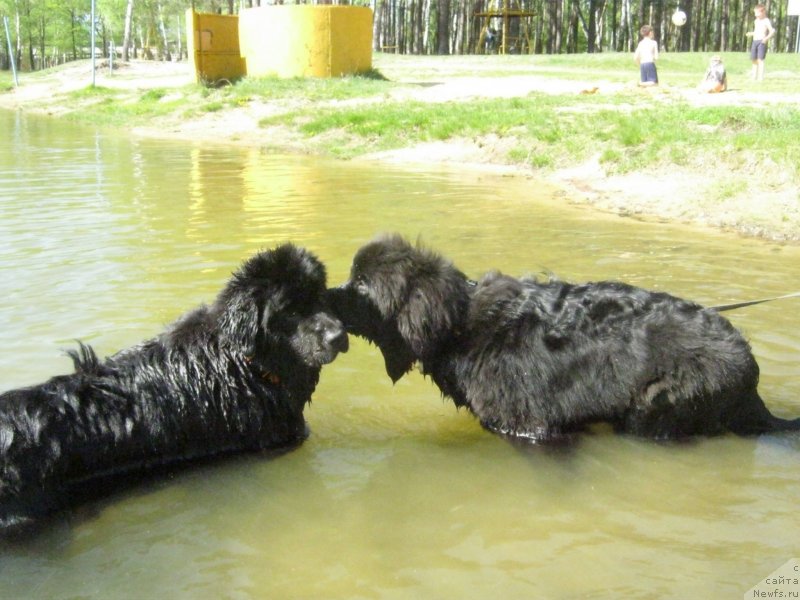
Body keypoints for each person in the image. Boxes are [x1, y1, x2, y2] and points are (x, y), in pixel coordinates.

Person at [746, 4, 775, 81]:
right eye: (755, 13)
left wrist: (766, 38)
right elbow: (757, 31)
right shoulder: (756, 21)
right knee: (754, 59)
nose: (756, 15)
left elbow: (772, 31)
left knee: (760, 60)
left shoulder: (766, 20)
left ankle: (760, 77)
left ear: (763, 12)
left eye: (757, 13)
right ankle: (754, 76)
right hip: (755, 41)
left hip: (761, 42)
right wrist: (751, 33)